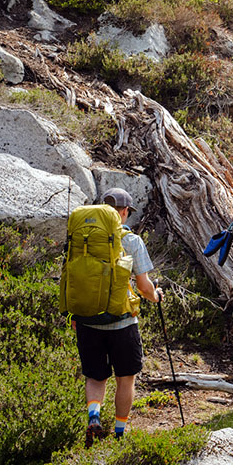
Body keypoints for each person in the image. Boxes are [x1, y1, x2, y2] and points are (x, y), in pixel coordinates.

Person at [74, 188, 160, 446]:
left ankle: (94, 416)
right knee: (126, 378)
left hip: (87, 319)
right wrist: (156, 297)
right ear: (124, 212)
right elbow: (144, 287)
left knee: (95, 376)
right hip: (122, 321)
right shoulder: (131, 241)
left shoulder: (82, 236)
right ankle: (120, 432)